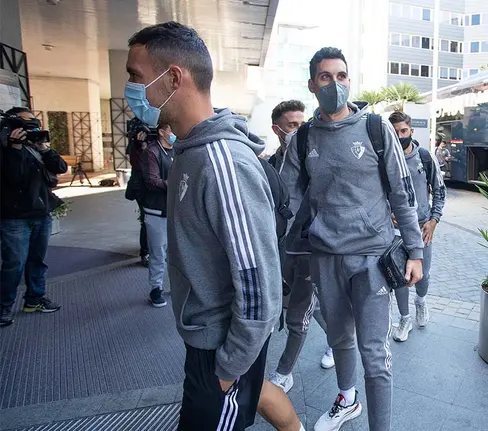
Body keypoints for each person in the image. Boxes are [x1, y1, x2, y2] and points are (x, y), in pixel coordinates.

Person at [125, 22, 303, 431]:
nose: (131, 89)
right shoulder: (189, 151)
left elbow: (259, 286)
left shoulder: (222, 164)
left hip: (222, 352)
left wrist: (228, 369)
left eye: (136, 76)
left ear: (172, 78)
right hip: (207, 342)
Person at [280, 47, 424, 431]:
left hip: (372, 259)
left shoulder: (375, 129)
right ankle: (347, 399)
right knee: (341, 339)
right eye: (326, 77)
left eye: (341, 76)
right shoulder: (304, 138)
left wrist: (416, 251)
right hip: (325, 258)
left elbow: (402, 194)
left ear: (349, 80)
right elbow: (287, 203)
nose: (335, 83)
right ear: (312, 84)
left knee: (375, 355)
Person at [267, 100, 334, 394]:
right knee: (309, 306)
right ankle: (338, 339)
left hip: (307, 247)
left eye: (300, 123)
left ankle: (284, 372)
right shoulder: (268, 165)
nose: (298, 130)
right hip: (278, 248)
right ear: (277, 129)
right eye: (292, 125)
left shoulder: (314, 160)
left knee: (299, 311)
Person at [0, 107, 68, 327]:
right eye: (27, 124)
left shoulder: (36, 145)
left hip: (41, 212)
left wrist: (45, 149)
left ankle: (34, 299)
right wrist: (14, 148)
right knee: (14, 264)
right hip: (15, 217)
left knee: (37, 261)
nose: (33, 128)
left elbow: (60, 167)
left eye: (35, 124)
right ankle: (3, 307)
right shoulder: (5, 146)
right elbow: (14, 178)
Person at [388, 111, 446, 342]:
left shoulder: (424, 157)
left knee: (422, 275)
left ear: (411, 131)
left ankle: (421, 302)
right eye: (395, 132)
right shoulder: (385, 159)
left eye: (403, 131)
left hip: (422, 227)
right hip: (394, 231)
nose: (400, 136)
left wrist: (433, 221)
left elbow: (440, 191)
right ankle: (404, 319)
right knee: (399, 276)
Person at [139, 123, 175, 307]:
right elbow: (152, 181)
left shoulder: (177, 150)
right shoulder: (152, 152)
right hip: (156, 211)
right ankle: (156, 288)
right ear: (161, 132)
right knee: (158, 253)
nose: (174, 133)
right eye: (171, 129)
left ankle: (176, 287)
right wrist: (175, 183)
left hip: (175, 211)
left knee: (176, 254)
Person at [126, 117, 150, 267]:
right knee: (147, 219)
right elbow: (139, 165)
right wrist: (140, 145)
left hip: (152, 186)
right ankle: (145, 253)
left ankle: (154, 249)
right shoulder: (134, 146)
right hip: (142, 187)